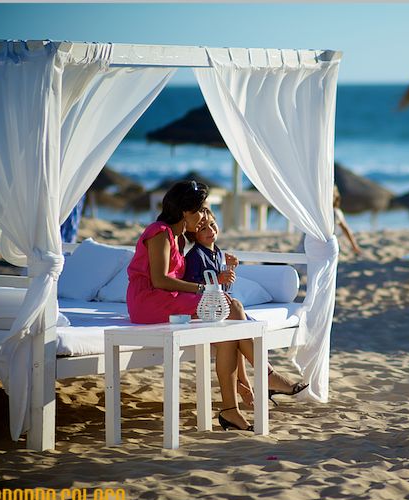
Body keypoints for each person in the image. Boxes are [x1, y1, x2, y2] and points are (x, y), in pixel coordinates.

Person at [126, 180, 305, 432]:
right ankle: (264, 375)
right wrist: (204, 290)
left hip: (167, 299)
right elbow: (160, 280)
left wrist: (219, 275)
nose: (202, 218)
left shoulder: (176, 237)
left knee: (228, 327)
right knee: (228, 306)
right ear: (185, 211)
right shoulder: (160, 232)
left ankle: (232, 409)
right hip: (149, 301)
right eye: (199, 211)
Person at [182, 208, 308, 409]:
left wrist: (228, 271)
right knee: (236, 310)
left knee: (236, 320)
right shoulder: (195, 256)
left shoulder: (217, 253)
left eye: (212, 225)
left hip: (216, 309)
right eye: (203, 228)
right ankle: (265, 376)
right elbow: (193, 287)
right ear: (193, 234)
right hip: (200, 311)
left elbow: (222, 288)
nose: (210, 230)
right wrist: (218, 278)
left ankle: (249, 383)